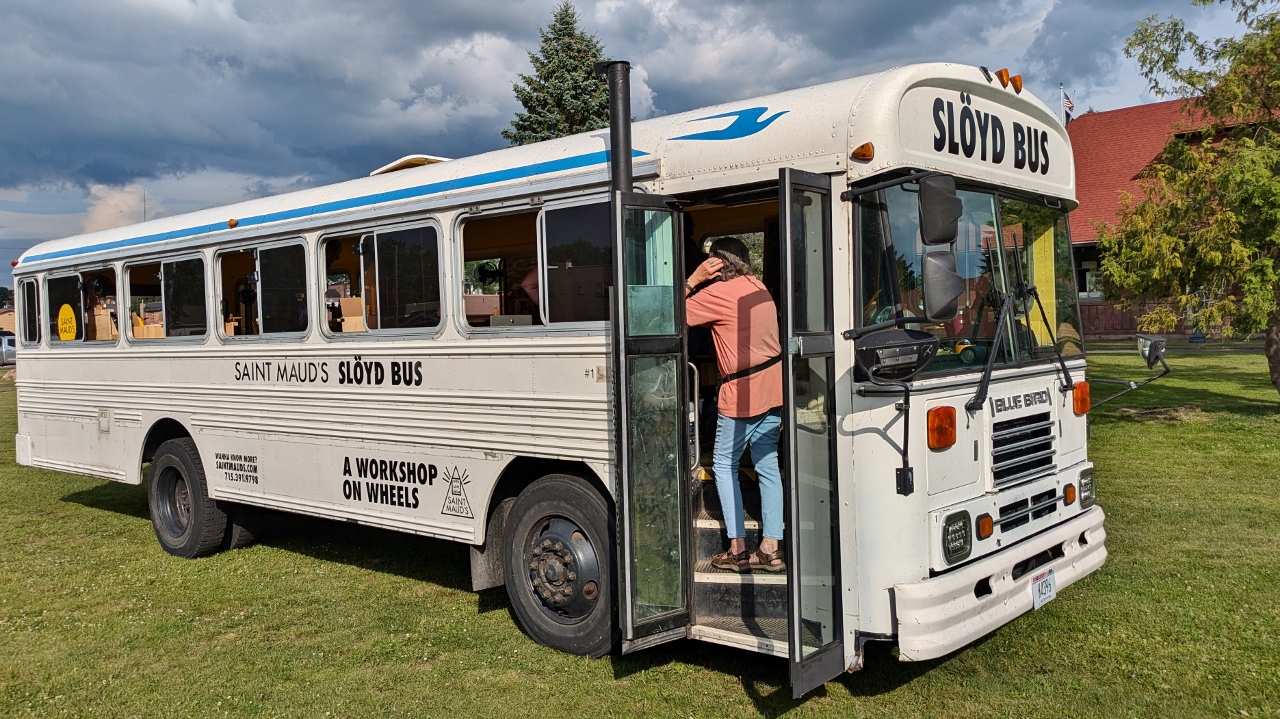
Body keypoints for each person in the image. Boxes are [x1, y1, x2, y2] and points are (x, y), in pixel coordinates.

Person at [685, 237, 784, 572]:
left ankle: (738, 549)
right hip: (773, 390)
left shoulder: (717, 293)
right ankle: (770, 548)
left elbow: (664, 313)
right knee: (767, 466)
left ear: (717, 264)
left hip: (741, 394)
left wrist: (693, 280)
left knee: (724, 465)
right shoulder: (759, 287)